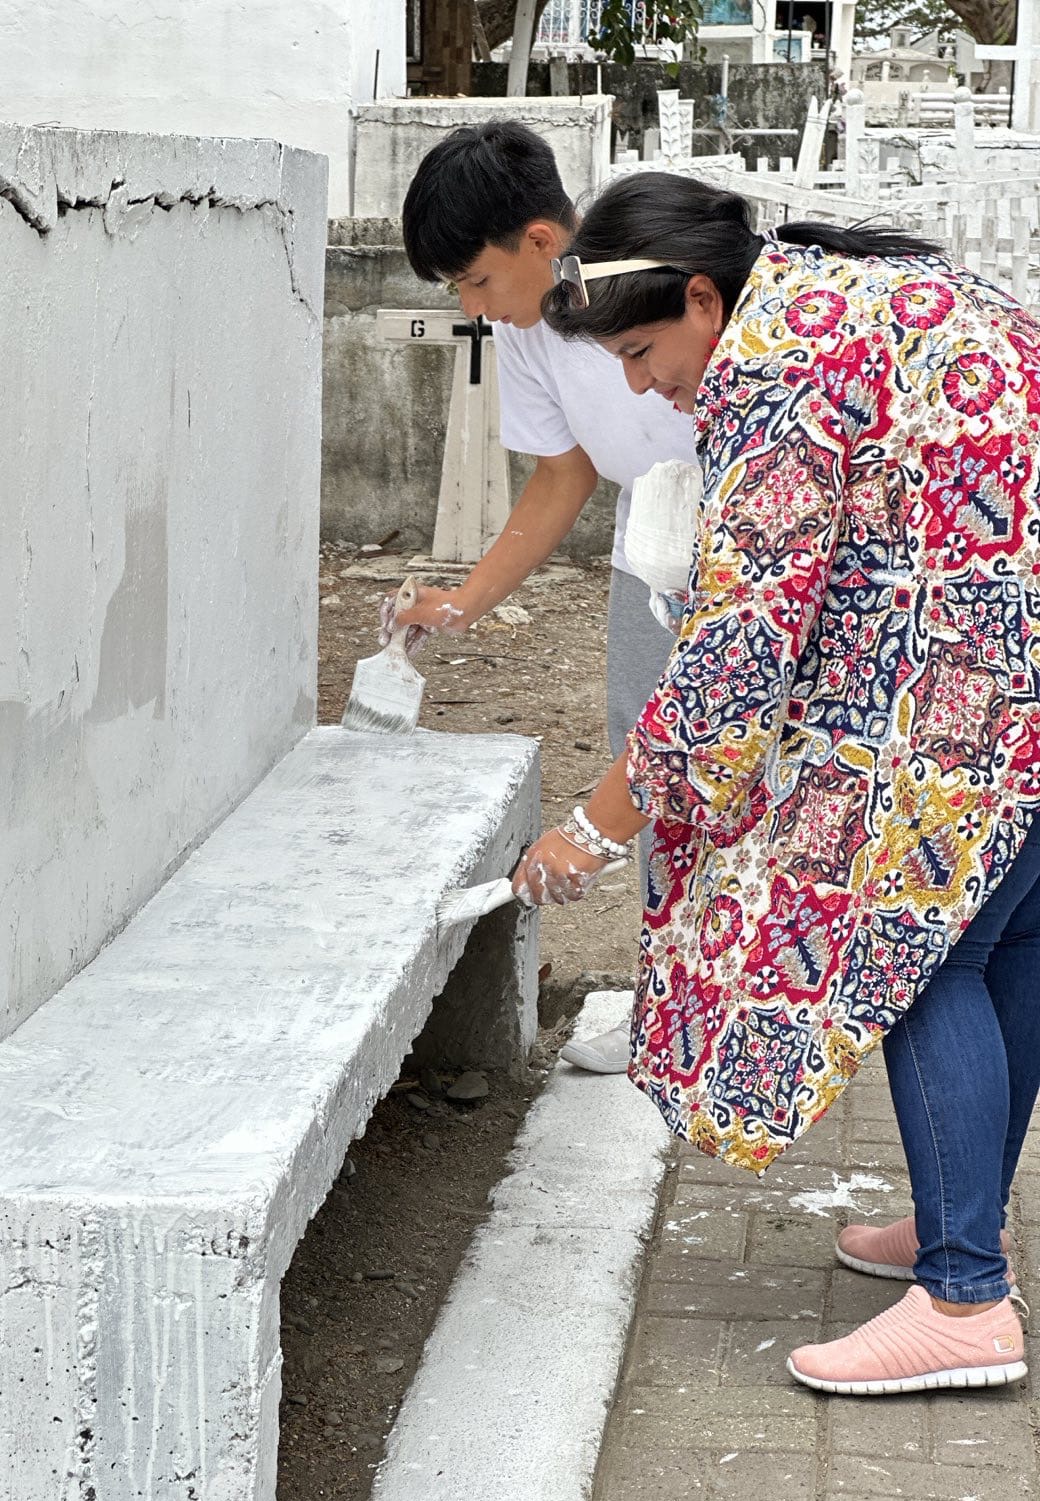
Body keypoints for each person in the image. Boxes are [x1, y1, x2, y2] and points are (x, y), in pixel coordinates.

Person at [512, 169, 1040, 1396]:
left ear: (704, 299)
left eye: (641, 353)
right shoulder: (855, 287)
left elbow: (736, 650)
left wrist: (592, 828)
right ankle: (964, 1225)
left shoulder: (774, 362)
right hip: (1008, 653)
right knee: (1010, 942)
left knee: (919, 956)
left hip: (979, 680)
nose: (643, 386)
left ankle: (966, 1298)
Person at [396, 121, 698, 1074]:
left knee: (727, 759)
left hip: (754, 529)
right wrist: (465, 599)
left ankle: (754, 1002)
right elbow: (563, 472)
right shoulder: (524, 327)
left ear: (539, 241)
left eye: (476, 281)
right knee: (650, 760)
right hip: (650, 540)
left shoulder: (652, 271)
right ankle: (671, 1010)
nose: (472, 307)